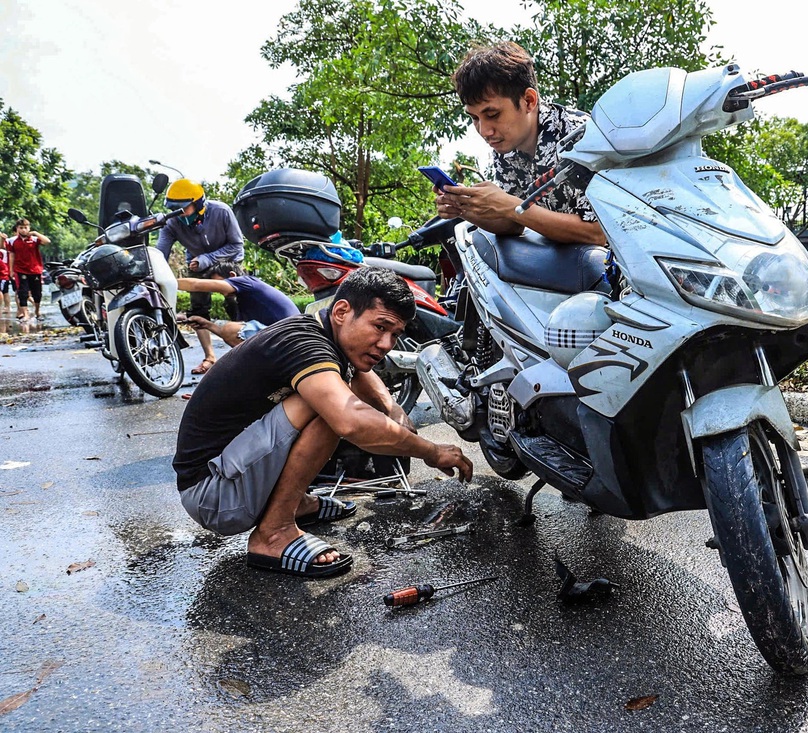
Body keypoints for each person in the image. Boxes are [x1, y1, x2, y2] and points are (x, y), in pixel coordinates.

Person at [172, 266, 473, 578]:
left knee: (334, 395)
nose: (386, 344)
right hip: (214, 496)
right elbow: (351, 421)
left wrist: (392, 408)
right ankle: (273, 534)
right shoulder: (304, 343)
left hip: (229, 473)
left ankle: (294, 503)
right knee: (332, 409)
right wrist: (430, 451)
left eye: (394, 334)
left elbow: (363, 374)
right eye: (380, 327)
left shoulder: (322, 332)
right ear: (342, 311)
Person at [434, 41, 606, 246]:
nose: (484, 131)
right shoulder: (505, 146)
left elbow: (597, 233)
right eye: (475, 118)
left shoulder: (580, 136)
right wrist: (467, 208)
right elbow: (514, 224)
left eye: (492, 114)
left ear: (529, 101)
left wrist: (509, 206)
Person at [154, 178, 245, 374]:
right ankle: (209, 357)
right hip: (197, 263)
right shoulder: (171, 223)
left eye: (183, 208)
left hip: (228, 260)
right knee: (199, 310)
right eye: (173, 209)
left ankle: (245, 350)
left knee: (235, 303)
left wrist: (207, 259)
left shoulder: (221, 211)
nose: (179, 214)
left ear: (198, 204)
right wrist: (153, 269)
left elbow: (236, 245)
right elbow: (161, 253)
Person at [176, 261, 299, 349]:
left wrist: (164, 281)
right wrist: (207, 325)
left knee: (230, 329)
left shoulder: (246, 282)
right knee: (232, 332)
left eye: (217, 283)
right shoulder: (241, 302)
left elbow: (195, 285)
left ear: (232, 276)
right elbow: (236, 337)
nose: (218, 291)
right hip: (285, 337)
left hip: (292, 336)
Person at [6, 218, 51, 321]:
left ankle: (37, 311)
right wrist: (11, 270)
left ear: (29, 228)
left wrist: (35, 233)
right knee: (22, 292)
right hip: (20, 269)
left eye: (25, 228)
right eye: (21, 228)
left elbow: (47, 241)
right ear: (17, 229)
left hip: (35, 269)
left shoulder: (34, 239)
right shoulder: (12, 241)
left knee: (37, 293)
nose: (23, 230)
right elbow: (12, 255)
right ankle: (25, 313)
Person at [0, 229, 10, 312]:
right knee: (5, 292)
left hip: (3, 275)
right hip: (4, 274)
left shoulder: (3, 252)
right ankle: (6, 307)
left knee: (3, 291)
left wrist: (3, 239)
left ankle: (5, 306)